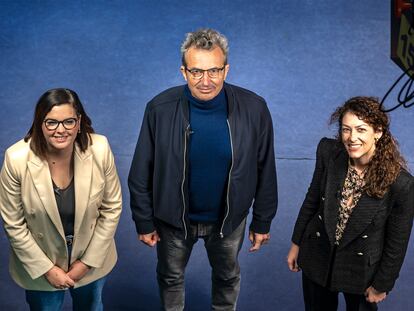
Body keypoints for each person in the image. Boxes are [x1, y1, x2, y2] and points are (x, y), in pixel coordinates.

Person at [128, 28, 277, 310]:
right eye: (196, 72)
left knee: (227, 277)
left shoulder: (254, 108)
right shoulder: (159, 108)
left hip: (228, 221)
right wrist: (143, 220)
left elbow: (265, 167)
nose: (206, 81)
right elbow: (140, 171)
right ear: (184, 72)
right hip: (173, 220)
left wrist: (263, 220)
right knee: (170, 278)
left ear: (226, 70)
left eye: (214, 71)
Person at [287, 96, 414, 311]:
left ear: (378, 132)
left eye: (361, 129)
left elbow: (397, 242)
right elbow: (312, 200)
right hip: (318, 255)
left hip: (361, 271)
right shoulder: (329, 153)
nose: (352, 138)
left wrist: (382, 284)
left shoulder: (401, 184)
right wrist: (296, 244)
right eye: (346, 129)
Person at [0, 88, 122, 310]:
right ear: (40, 123)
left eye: (68, 121)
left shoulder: (100, 148)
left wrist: (86, 263)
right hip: (41, 265)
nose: (60, 130)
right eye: (51, 123)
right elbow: (13, 224)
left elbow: (112, 208)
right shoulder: (16, 159)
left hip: (91, 259)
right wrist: (47, 269)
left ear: (79, 122)